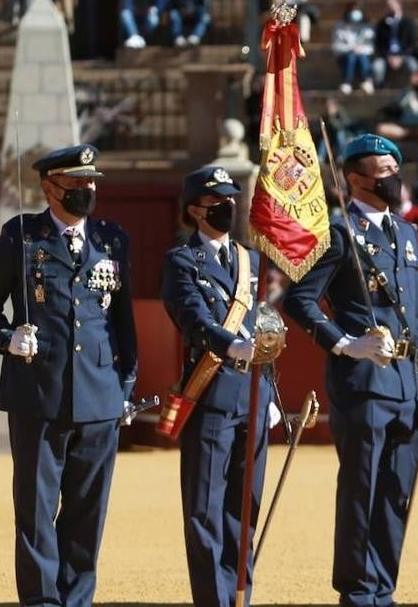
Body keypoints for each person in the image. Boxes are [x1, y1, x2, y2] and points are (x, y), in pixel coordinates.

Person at [0, 144, 139, 605]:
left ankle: (77, 598)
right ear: (49, 188)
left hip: (100, 395)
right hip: (37, 392)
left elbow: (122, 323)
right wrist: (4, 336)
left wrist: (125, 387)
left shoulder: (113, 240)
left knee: (88, 512)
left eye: (91, 183)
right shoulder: (22, 237)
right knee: (37, 510)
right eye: (77, 184)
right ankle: (43, 601)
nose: (87, 190)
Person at [283, 134, 418, 607]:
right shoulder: (340, 233)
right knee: (361, 489)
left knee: (396, 494)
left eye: (394, 167)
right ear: (355, 178)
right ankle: (357, 590)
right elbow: (299, 299)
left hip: (406, 382)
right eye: (382, 169)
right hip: (363, 382)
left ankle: (383, 589)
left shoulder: (406, 233)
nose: (392, 176)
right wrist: (346, 344)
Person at [160, 166, 277, 606]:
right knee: (206, 508)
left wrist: (272, 392)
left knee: (246, 504)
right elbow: (193, 319)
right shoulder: (181, 261)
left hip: (254, 394)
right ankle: (214, 598)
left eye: (231, 199)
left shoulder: (251, 259)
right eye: (217, 202)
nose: (229, 207)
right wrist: (234, 347)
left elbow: (262, 325)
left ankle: (239, 593)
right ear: (195, 210)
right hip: (211, 393)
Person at [372, 0, 418, 88]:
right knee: (377, 67)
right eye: (388, 5)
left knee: (414, 66)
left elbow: (412, 43)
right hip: (386, 56)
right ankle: (379, 90)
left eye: (392, 4)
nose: (391, 7)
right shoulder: (381, 24)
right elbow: (378, 45)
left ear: (399, 5)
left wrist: (400, 57)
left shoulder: (408, 23)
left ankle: (415, 90)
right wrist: (389, 57)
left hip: (405, 55)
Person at [333, 2, 375, 95]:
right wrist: (350, 49)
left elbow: (371, 46)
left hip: (363, 55)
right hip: (345, 56)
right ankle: (347, 83)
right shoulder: (340, 26)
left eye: (357, 11)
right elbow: (336, 46)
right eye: (353, 11)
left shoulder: (368, 26)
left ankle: (366, 82)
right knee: (351, 56)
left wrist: (360, 49)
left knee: (362, 57)